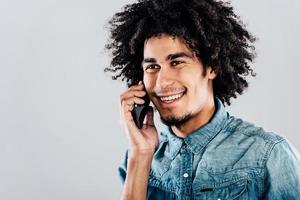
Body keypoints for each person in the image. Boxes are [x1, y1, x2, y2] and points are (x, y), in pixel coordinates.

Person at [104, 0, 300, 199]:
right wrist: (140, 153)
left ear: (212, 67)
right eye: (152, 67)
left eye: (177, 62)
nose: (161, 83)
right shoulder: (138, 160)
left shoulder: (268, 154)